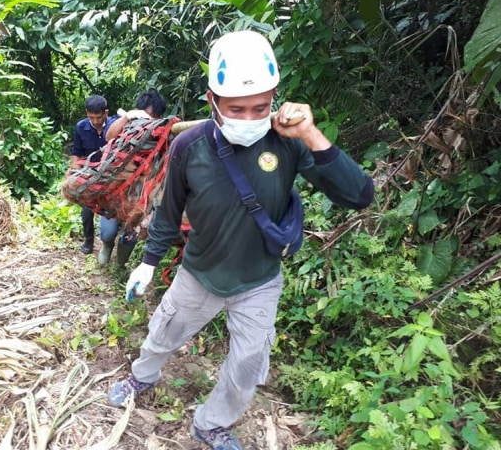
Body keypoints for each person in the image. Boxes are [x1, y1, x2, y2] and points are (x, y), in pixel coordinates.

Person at [106, 30, 375, 450]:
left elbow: (359, 196)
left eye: (260, 107)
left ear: (275, 98)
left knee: (249, 361)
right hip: (200, 273)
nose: (249, 118)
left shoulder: (288, 144)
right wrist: (148, 262)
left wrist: (310, 134)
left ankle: (212, 422)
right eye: (236, 108)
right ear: (212, 100)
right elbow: (169, 211)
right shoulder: (189, 146)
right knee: (163, 333)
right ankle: (141, 377)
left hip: (260, 280)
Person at [97, 89, 168, 267]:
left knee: (131, 235)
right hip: (116, 189)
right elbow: (109, 137)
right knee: (107, 232)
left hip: (141, 194)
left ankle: (120, 264)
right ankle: (106, 245)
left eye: (152, 117)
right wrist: (128, 117)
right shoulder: (127, 127)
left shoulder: (162, 134)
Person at [69, 95, 119, 255]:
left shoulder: (115, 125)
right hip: (89, 173)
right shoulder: (81, 127)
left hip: (111, 175)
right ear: (86, 114)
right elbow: (76, 152)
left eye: (99, 117)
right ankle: (89, 240)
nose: (96, 121)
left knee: (112, 208)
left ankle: (111, 238)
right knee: (86, 208)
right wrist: (74, 171)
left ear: (106, 113)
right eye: (92, 117)